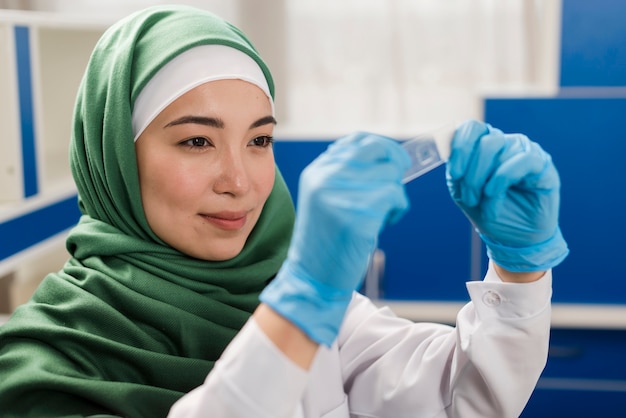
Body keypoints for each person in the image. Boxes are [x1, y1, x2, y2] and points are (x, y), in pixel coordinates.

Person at [0, 5, 569, 418]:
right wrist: (297, 312)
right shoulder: (40, 364)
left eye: (259, 141)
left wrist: (519, 271)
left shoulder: (315, 307)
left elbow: (457, 401)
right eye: (197, 141)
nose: (241, 181)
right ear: (116, 160)